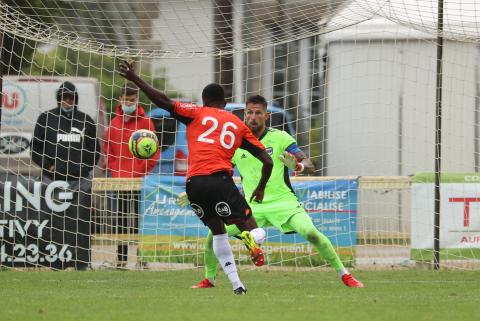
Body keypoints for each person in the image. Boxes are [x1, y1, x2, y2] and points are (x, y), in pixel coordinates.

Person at [119, 61, 274, 295]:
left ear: (205, 101)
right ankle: (249, 239)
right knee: (256, 231)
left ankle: (237, 285)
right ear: (224, 103)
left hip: (194, 185)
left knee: (218, 233)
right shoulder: (238, 125)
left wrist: (135, 78)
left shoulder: (195, 113)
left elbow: (163, 101)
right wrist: (260, 187)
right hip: (220, 181)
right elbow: (268, 161)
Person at [188, 95, 364, 289]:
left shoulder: (280, 138)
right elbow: (216, 171)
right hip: (252, 207)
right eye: (249, 113)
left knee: (312, 233)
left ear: (267, 116)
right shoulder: (236, 141)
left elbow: (310, 165)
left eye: (258, 113)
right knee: (214, 235)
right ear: (244, 115)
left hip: (284, 203)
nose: (253, 117)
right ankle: (209, 279)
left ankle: (345, 275)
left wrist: (297, 165)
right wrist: (197, 187)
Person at [32, 81, 100, 182]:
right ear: (59, 99)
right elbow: (35, 148)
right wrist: (48, 166)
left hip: (80, 180)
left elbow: (95, 149)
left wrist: (84, 169)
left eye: (71, 97)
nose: (67, 100)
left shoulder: (86, 120)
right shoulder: (46, 118)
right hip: (51, 179)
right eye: (64, 97)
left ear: (75, 99)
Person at [103, 82, 160, 178]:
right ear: (120, 99)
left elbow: (154, 151)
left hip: (139, 179)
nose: (129, 103)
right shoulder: (114, 122)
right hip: (117, 178)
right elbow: (107, 148)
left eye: (132, 100)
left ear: (137, 100)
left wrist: (141, 170)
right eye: (126, 100)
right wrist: (113, 167)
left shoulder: (146, 122)